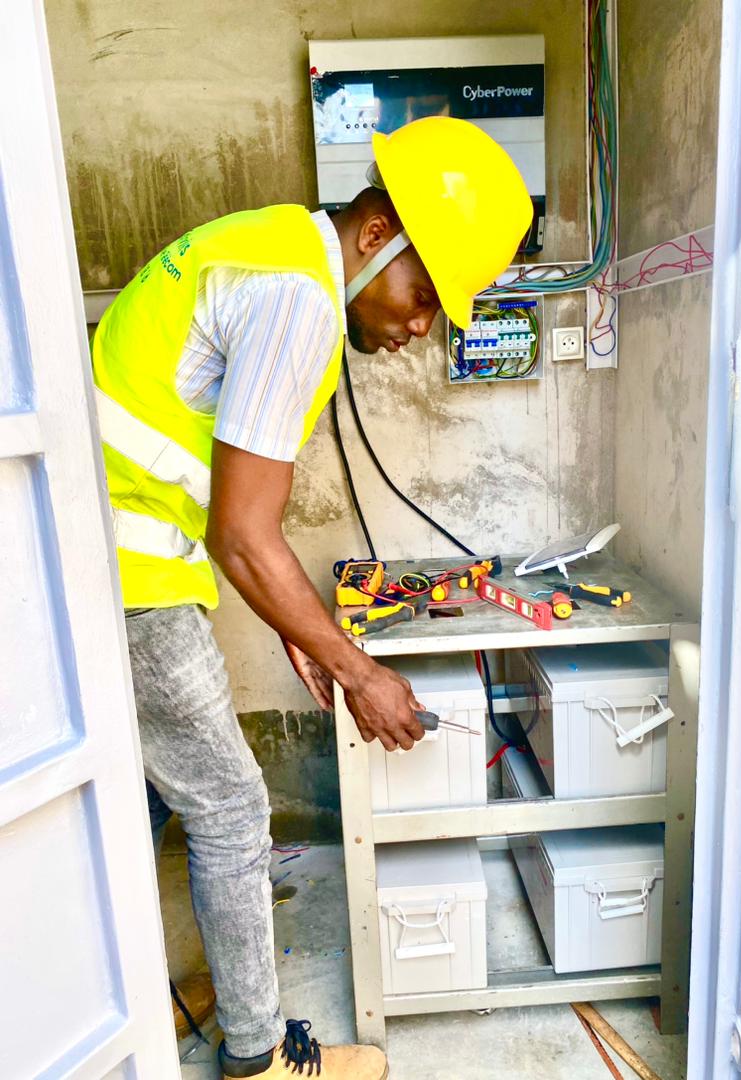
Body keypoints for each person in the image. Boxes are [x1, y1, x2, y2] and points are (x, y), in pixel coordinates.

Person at [92, 115, 531, 1079]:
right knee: (231, 812)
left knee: (145, 798)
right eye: (424, 296)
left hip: (107, 559)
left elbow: (239, 521)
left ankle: (127, 991)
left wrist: (305, 629)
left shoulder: (273, 249)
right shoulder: (297, 296)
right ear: (377, 232)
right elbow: (244, 536)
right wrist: (357, 668)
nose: (421, 329)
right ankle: (256, 1059)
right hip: (125, 579)